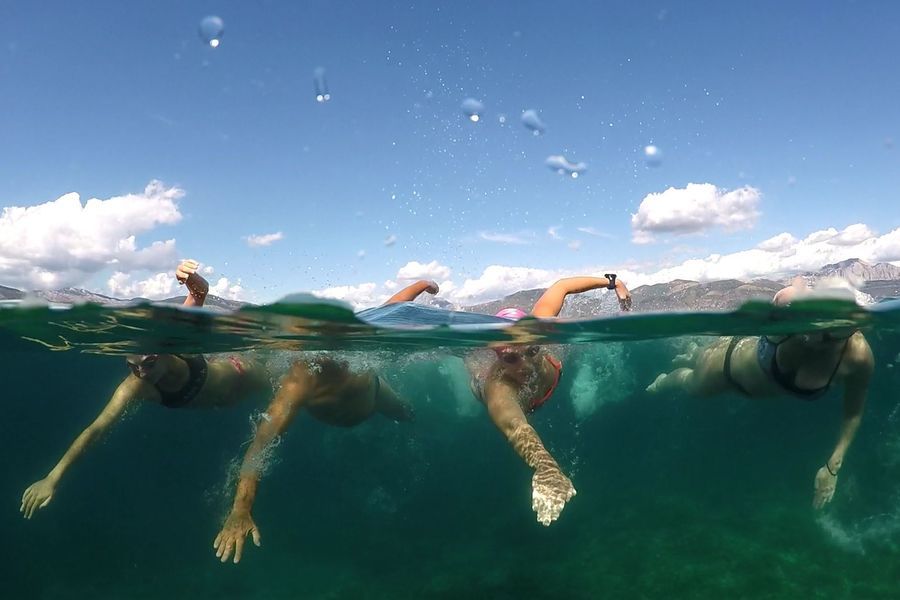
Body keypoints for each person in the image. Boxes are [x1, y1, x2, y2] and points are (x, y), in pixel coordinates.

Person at [20, 259, 271, 519]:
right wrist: (52, 478)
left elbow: (199, 293)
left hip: (245, 375)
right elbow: (95, 430)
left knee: (283, 396)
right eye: (132, 366)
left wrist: (189, 277)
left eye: (149, 364)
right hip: (223, 403)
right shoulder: (135, 387)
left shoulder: (173, 340)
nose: (142, 373)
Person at [212, 279, 439, 564]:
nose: (337, 348)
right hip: (342, 414)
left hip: (376, 393)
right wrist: (240, 509)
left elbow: (391, 309)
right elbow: (260, 446)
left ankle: (424, 433)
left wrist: (420, 285)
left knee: (408, 414)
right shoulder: (299, 384)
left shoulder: (358, 339)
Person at [645, 279, 874, 509]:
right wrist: (802, 294)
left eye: (824, 334)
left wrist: (834, 465)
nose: (810, 337)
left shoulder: (859, 358)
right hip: (724, 367)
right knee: (692, 385)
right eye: (813, 327)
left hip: (746, 372)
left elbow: (853, 413)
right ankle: (665, 380)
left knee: (698, 360)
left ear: (849, 330)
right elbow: (792, 290)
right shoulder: (796, 317)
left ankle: (692, 352)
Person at [468, 274, 632, 526]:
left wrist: (613, 282)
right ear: (499, 357)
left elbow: (562, 286)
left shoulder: (544, 327)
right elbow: (516, 428)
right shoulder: (499, 388)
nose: (525, 365)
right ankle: (467, 360)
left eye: (532, 351)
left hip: (538, 381)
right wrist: (546, 468)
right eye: (511, 358)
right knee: (475, 370)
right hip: (483, 386)